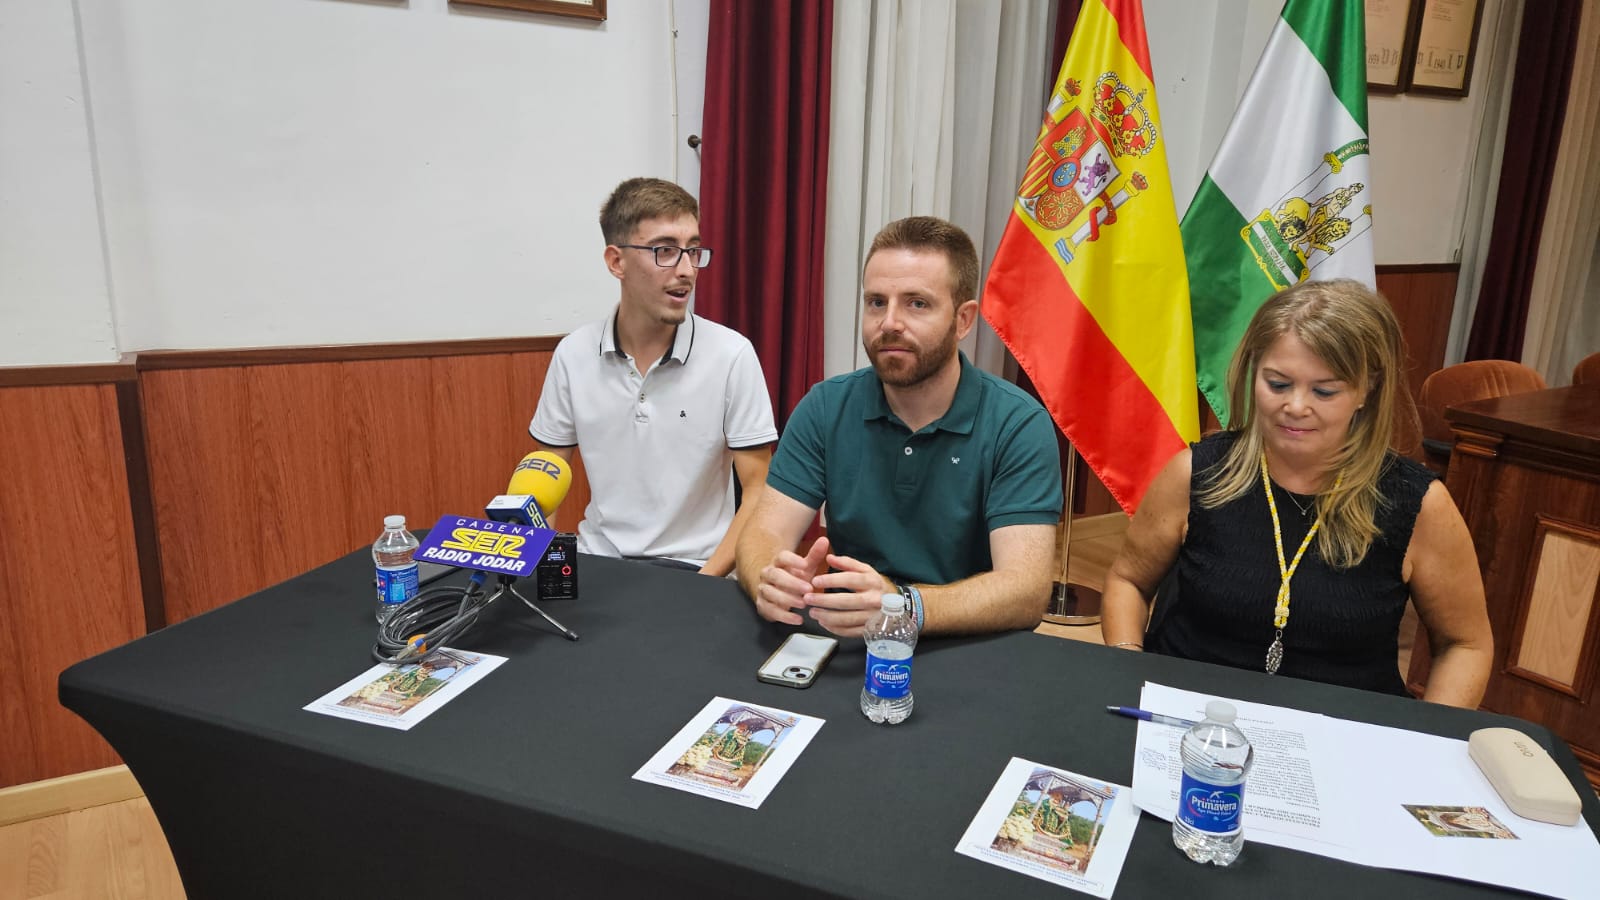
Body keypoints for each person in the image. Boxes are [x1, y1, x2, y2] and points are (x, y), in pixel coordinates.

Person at [1101, 279, 1492, 707]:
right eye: (1278, 383)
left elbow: (1465, 645)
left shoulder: (1419, 503)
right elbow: (1129, 581)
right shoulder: (1195, 471)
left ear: (1367, 389)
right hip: (1192, 720)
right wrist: (1127, 666)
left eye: (1324, 391)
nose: (1297, 406)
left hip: (1342, 734)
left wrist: (1426, 743)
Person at [735, 216, 1062, 638]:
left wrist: (900, 606)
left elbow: (1025, 590)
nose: (889, 322)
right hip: (853, 638)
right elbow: (763, 531)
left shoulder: (1018, 424)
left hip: (969, 642)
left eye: (916, 303)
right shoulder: (826, 406)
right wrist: (767, 577)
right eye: (876, 302)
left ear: (963, 321)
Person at [528, 177, 777, 575]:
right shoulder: (573, 354)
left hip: (700, 569)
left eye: (693, 251)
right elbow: (544, 483)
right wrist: (537, 577)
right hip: (599, 563)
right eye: (665, 251)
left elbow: (758, 492)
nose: (686, 271)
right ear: (616, 262)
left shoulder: (732, 355)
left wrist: (704, 581)